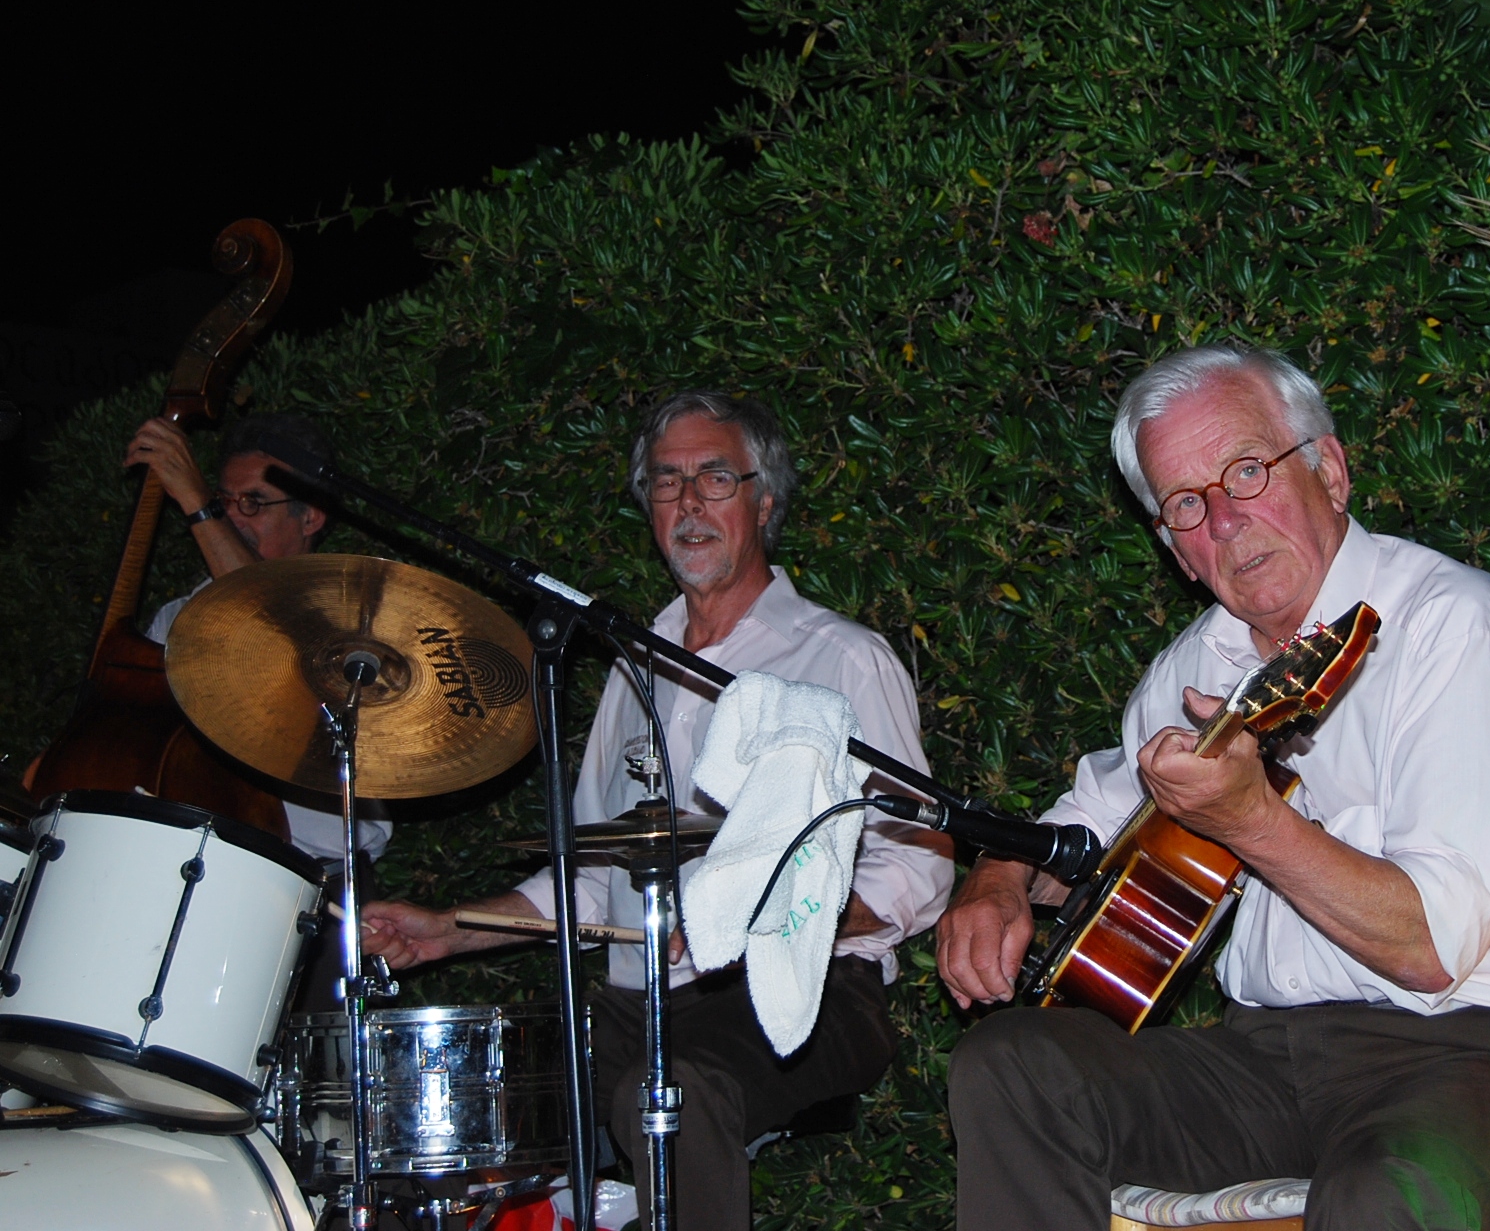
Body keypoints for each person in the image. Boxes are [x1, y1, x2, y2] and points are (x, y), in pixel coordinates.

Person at [936, 345, 1490, 1231]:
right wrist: (999, 876)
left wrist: (1254, 820)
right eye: (1187, 503)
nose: (1225, 520)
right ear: (1174, 549)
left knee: (1383, 1189)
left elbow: (1433, 947)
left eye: (1247, 471)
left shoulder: (1454, 627)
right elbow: (1087, 821)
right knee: (1014, 1066)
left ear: (1330, 472)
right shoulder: (1195, 664)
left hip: (1489, 1056)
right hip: (1267, 1064)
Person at [361, 391, 953, 1231]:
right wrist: (449, 930)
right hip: (633, 1004)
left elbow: (920, 864)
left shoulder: (842, 658)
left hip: (803, 992)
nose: (689, 502)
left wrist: (769, 916)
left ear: (765, 501)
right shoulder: (633, 668)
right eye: (666, 482)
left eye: (716, 478)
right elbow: (594, 880)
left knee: (665, 1090)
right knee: (457, 1099)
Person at [128, 411, 392, 1007]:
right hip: (188, 879)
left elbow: (274, 629)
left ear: (311, 516)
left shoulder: (350, 611)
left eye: (253, 503)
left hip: (315, 892)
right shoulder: (177, 618)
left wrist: (196, 503)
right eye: (225, 500)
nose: (231, 517)